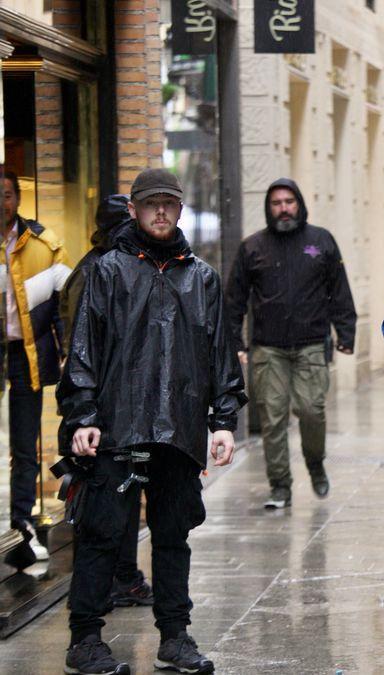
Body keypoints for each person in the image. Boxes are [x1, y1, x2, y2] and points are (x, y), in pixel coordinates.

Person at [58, 168, 246, 675]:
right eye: (150, 204)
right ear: (136, 210)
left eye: (169, 203)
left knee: (172, 534)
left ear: (180, 209)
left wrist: (223, 421)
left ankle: (175, 635)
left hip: (178, 431)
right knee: (102, 532)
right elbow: (83, 352)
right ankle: (86, 639)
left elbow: (219, 355)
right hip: (116, 429)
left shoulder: (201, 278)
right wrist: (82, 416)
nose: (160, 211)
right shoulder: (108, 271)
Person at [225, 178, 357, 509]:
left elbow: (338, 289)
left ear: (299, 203)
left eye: (289, 201)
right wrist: (234, 342)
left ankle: (315, 463)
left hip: (312, 344)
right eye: (276, 203)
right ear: (269, 209)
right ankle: (280, 485)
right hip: (267, 348)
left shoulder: (321, 241)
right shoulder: (252, 247)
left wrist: (346, 332)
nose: (283, 208)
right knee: (273, 417)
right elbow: (234, 300)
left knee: (312, 410)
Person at [60, 194, 153, 611]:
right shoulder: (98, 271)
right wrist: (85, 413)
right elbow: (84, 348)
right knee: (101, 506)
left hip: (117, 409)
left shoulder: (107, 267)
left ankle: (124, 577)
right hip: (100, 410)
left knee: (127, 492)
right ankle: (103, 596)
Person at [0, 170, 70, 570]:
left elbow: (67, 304)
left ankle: (22, 525)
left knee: (25, 446)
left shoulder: (45, 245)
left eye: (7, 194)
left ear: (18, 198)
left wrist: (66, 352)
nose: (2, 202)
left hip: (26, 355)